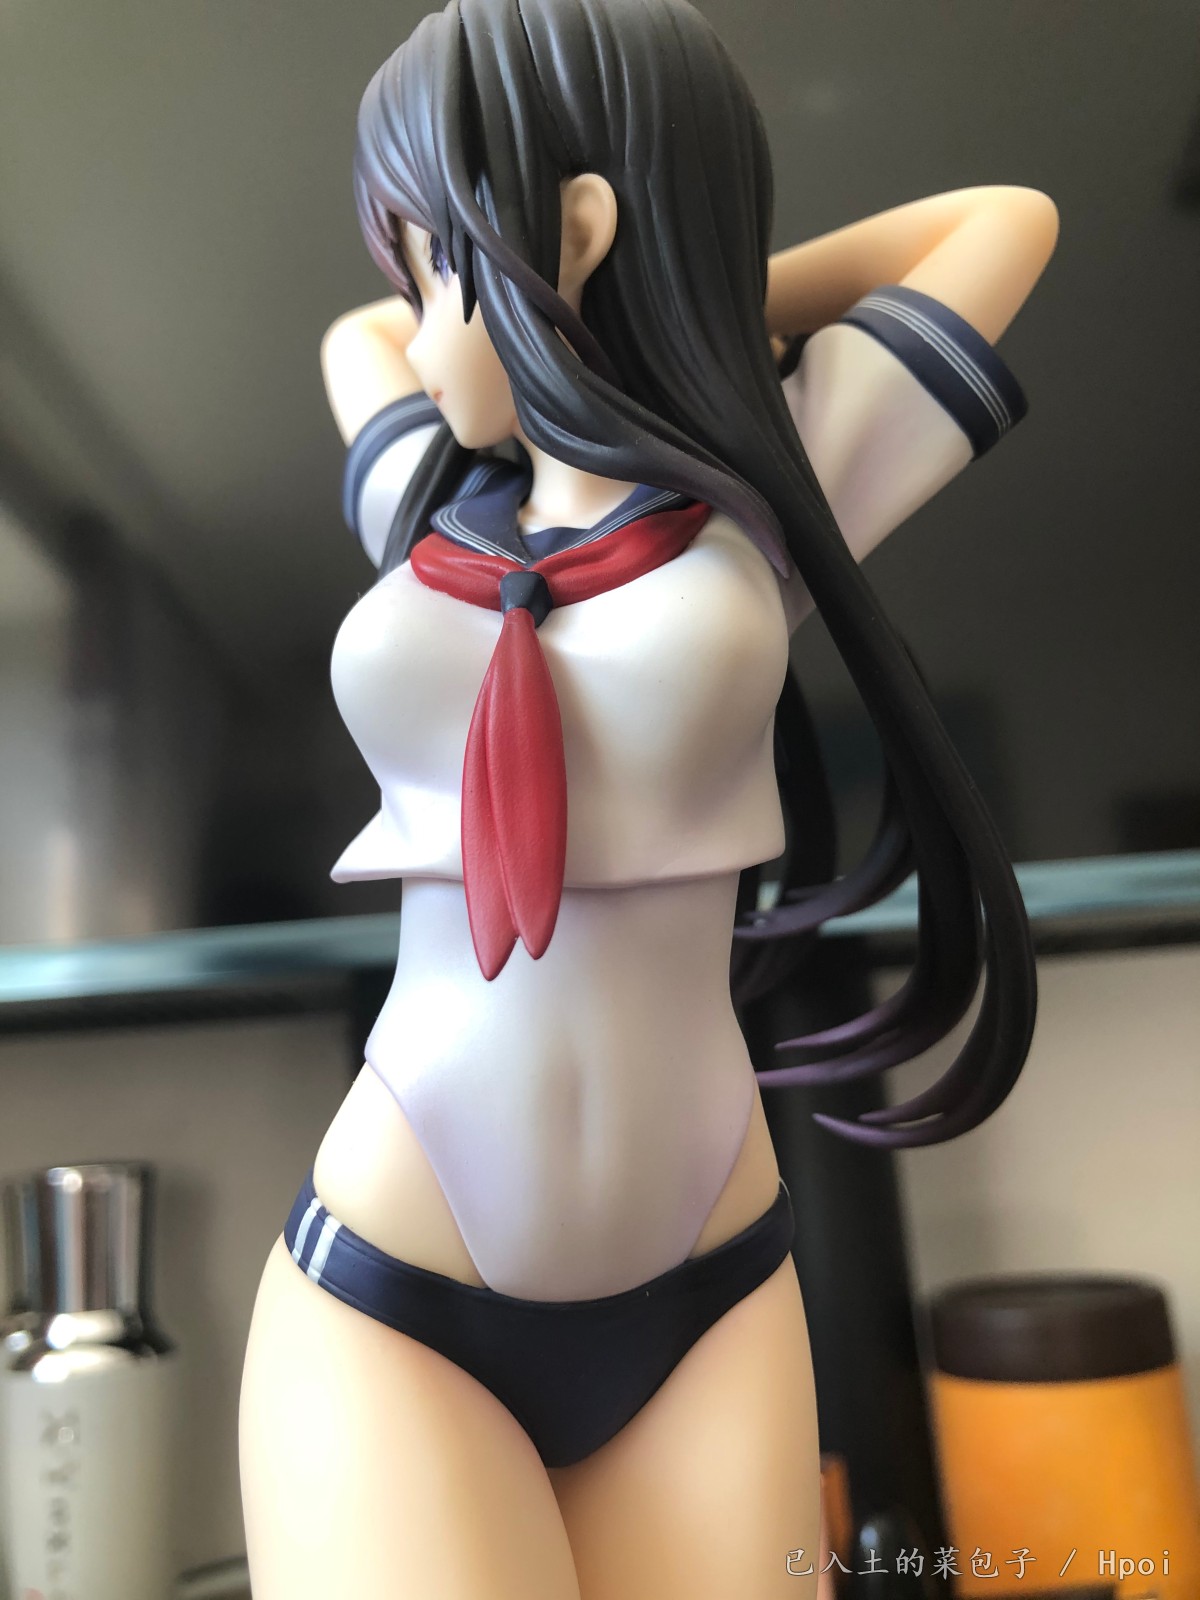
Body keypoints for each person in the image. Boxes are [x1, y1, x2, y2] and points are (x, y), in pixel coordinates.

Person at [238, 1, 1059, 1594]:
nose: (415, 323)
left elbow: (998, 223)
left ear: (578, 229)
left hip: (709, 1301)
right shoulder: (429, 497)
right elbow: (356, 343)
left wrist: (682, 290)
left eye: (430, 263)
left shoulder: (770, 491)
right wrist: (503, 292)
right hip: (396, 1288)